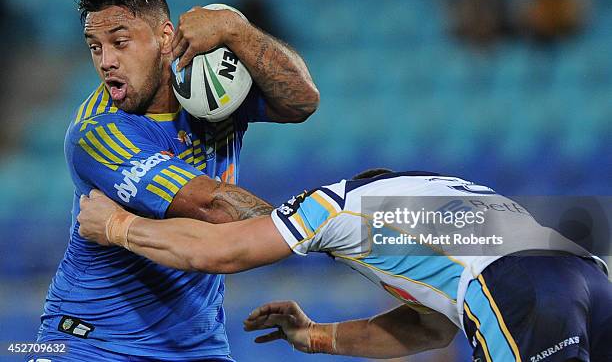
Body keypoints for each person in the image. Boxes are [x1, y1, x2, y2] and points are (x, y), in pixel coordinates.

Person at [35, 0, 319, 362]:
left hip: (197, 346)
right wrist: (328, 223)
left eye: (120, 42)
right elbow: (214, 210)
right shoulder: (98, 130)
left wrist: (237, 30)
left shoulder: (210, 86)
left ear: (165, 39)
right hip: (91, 343)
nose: (106, 62)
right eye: (95, 47)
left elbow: (302, 101)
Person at [78, 169, 611, 362]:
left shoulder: (334, 202)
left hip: (514, 288)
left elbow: (222, 252)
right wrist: (318, 337)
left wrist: (117, 227)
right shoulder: (449, 193)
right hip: (590, 277)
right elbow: (427, 329)